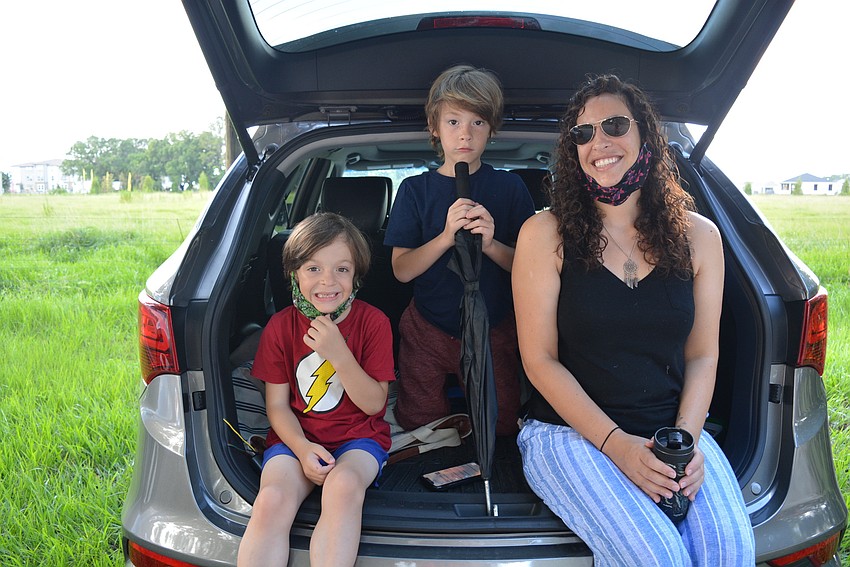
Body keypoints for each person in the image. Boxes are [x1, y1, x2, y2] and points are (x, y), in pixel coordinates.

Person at [512, 75, 755, 566]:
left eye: (615, 125)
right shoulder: (544, 233)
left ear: (646, 133)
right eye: (582, 134)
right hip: (567, 434)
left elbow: (703, 353)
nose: (598, 142)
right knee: (656, 559)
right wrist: (618, 447)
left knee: (730, 554)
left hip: (671, 428)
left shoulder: (699, 236)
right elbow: (540, 361)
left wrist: (685, 442)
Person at [383, 64, 535, 435]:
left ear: (492, 129)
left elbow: (530, 269)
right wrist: (445, 236)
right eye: (453, 122)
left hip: (495, 326)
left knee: (500, 423)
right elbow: (402, 269)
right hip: (427, 327)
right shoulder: (415, 191)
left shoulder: (510, 188)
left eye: (478, 122)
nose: (465, 134)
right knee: (420, 419)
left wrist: (490, 244)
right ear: (434, 127)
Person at [238, 212, 395, 567]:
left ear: (356, 275)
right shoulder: (279, 328)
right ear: (294, 273)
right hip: (296, 439)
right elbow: (276, 406)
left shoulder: (374, 323)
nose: (328, 281)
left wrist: (338, 352)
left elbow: (374, 405)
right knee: (272, 498)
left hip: (359, 438)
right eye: (313, 268)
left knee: (342, 488)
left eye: (342, 269)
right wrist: (303, 449)